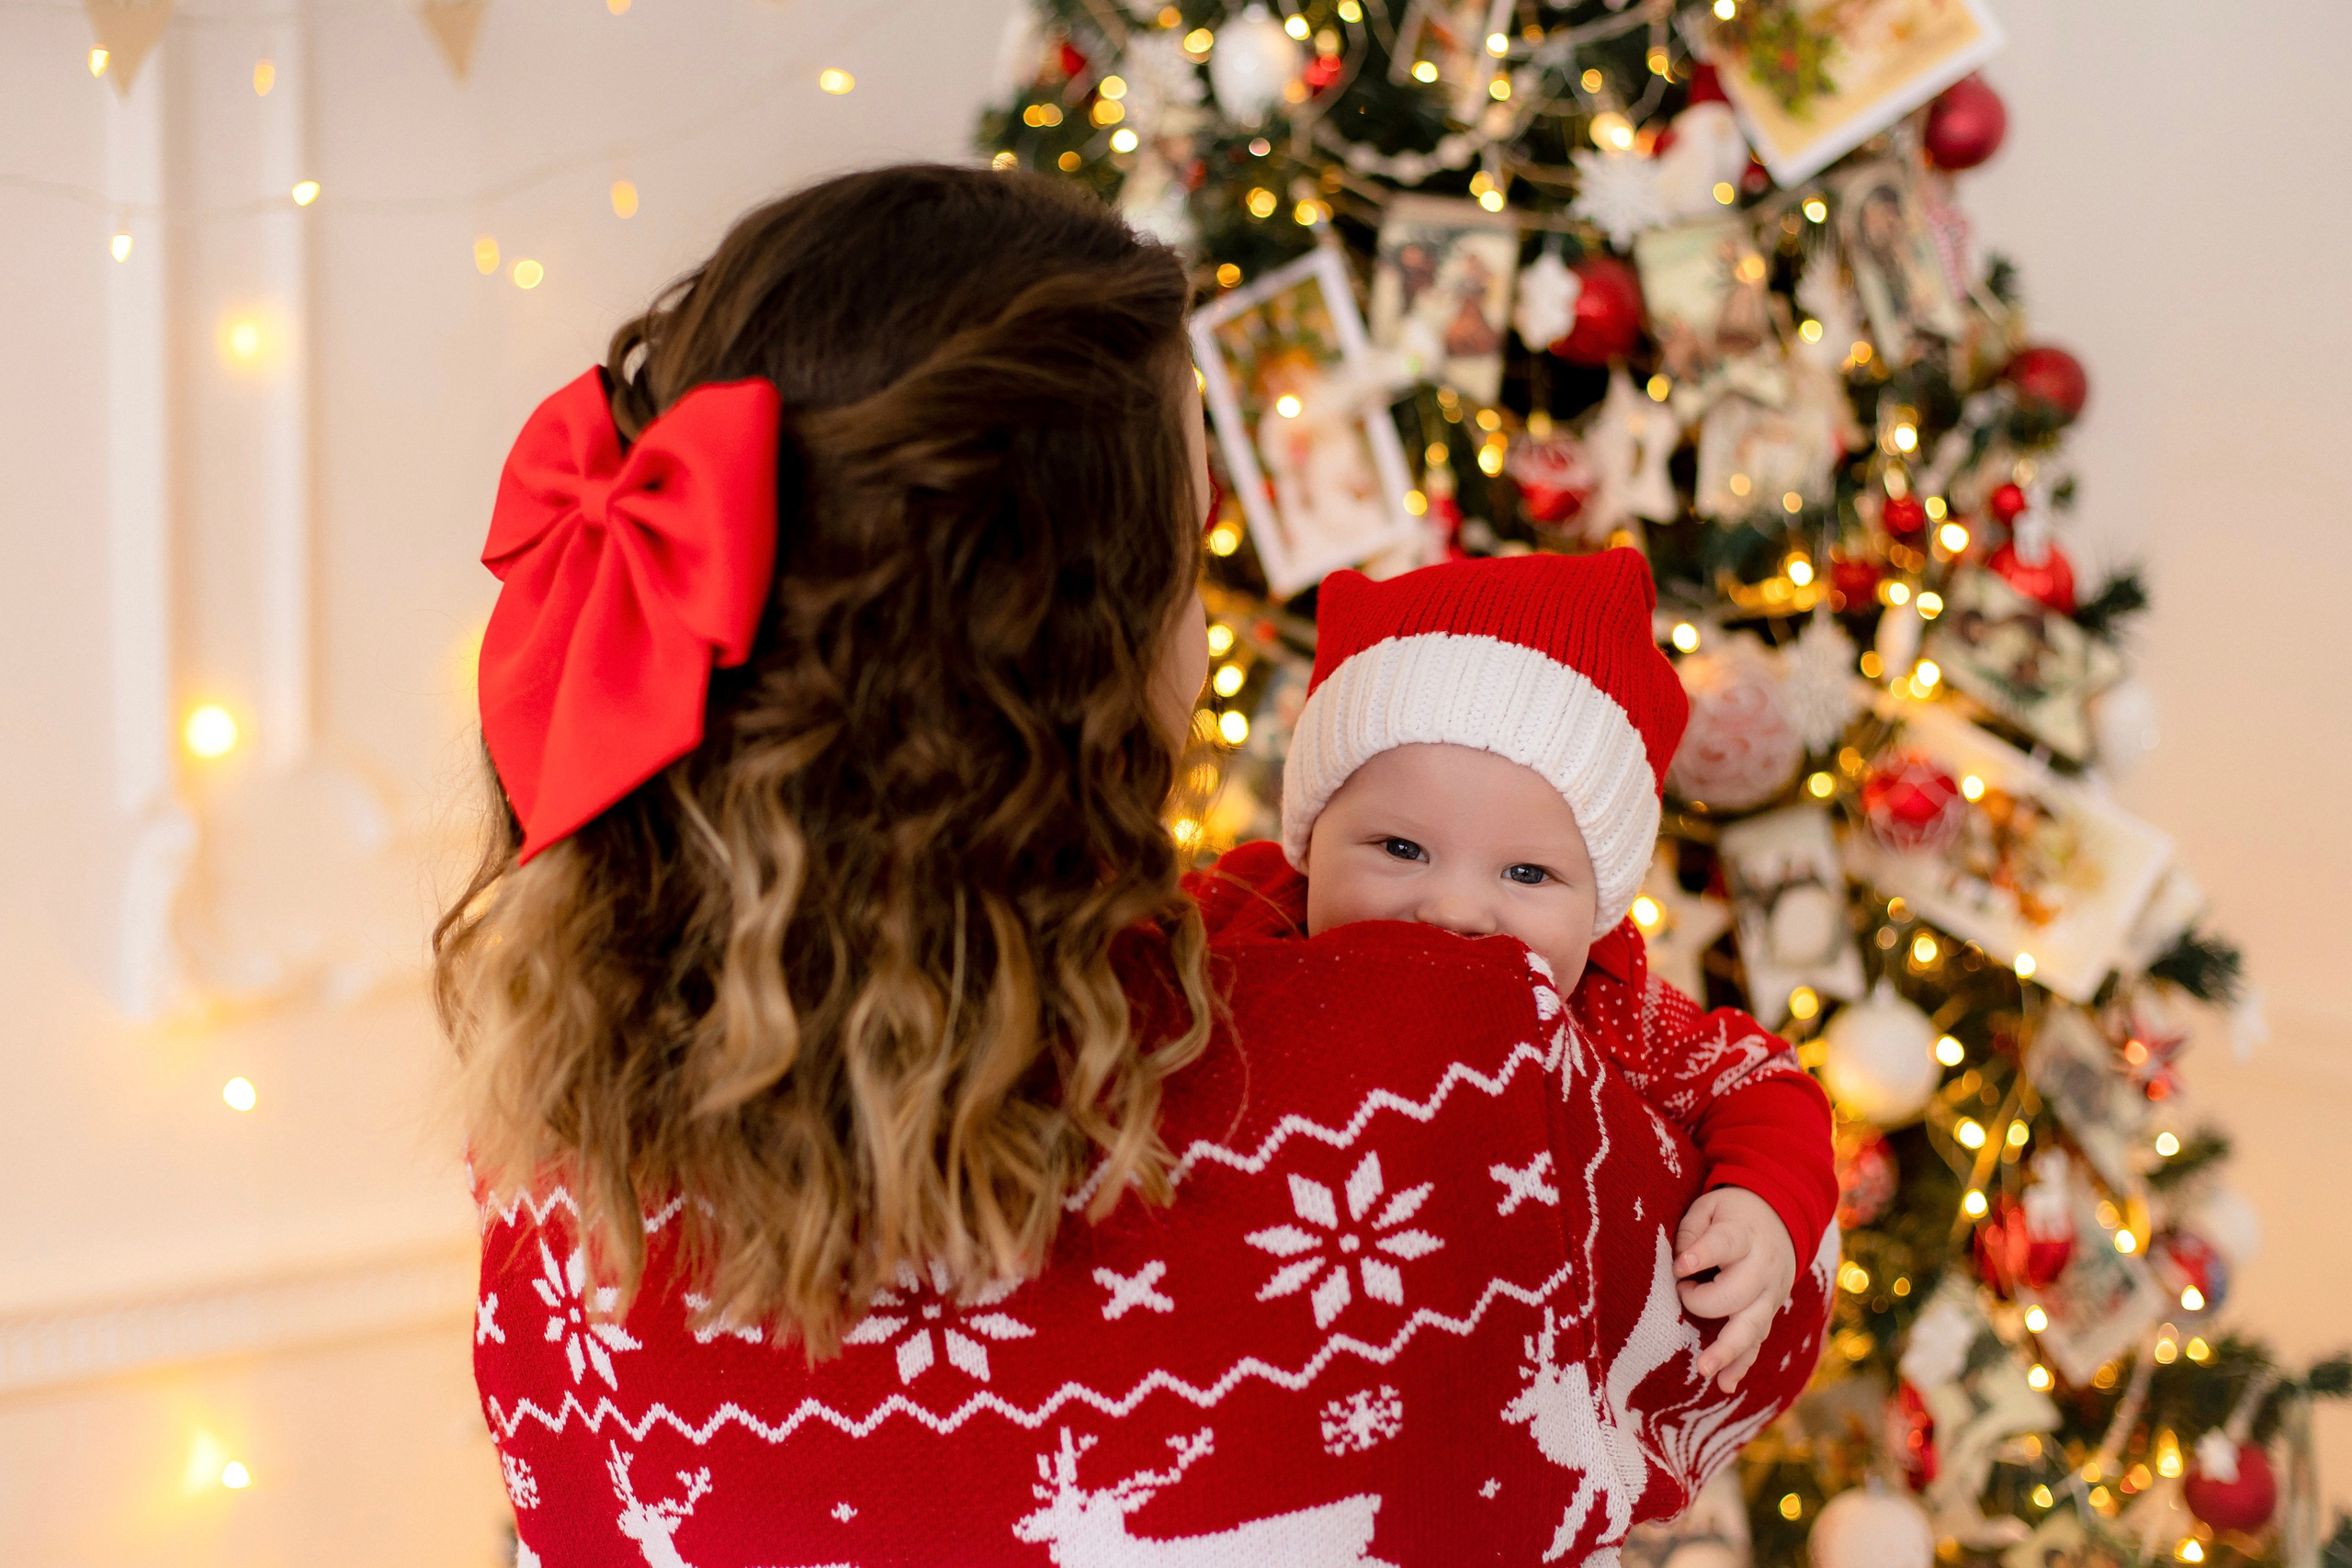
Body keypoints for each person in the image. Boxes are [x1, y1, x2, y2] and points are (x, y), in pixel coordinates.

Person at [443, 164, 1834, 1566]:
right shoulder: (1448, 1068)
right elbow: (1734, 1343)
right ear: (1088, 651)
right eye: (1189, 548)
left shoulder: (555, 1187)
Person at [1204, 548, 1838, 1395]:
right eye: (1400, 848)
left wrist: (1767, 1205)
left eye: (1528, 874)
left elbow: (1760, 1079)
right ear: (1309, 843)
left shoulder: (1607, 1005)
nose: (1457, 910)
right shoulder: (1246, 918)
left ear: (1600, 909)